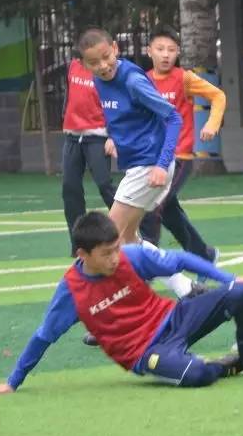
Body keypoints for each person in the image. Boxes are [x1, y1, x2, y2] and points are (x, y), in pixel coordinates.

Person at [0, 212, 243, 394]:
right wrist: (12, 382)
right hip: (146, 353)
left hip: (175, 317)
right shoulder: (71, 292)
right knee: (198, 374)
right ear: (82, 255)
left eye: (116, 248)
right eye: (106, 254)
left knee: (242, 294)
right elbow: (44, 336)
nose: (116, 258)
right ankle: (229, 364)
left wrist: (228, 279)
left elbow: (181, 258)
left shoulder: (132, 256)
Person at [76, 27, 193, 298]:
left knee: (104, 239)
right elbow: (127, 117)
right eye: (94, 62)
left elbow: (173, 118)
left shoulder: (132, 80)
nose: (102, 65)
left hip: (149, 166)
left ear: (115, 48)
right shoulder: (100, 81)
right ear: (84, 65)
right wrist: (115, 138)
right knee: (128, 241)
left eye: (106, 57)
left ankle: (105, 307)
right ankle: (185, 287)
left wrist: (162, 165)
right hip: (138, 165)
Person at [139, 25, 223, 264]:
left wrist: (212, 124)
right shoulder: (142, 81)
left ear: (178, 53)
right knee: (169, 212)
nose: (166, 54)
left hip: (180, 157)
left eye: (171, 50)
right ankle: (203, 255)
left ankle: (147, 267)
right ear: (149, 51)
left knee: (152, 207)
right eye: (160, 49)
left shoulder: (184, 78)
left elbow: (218, 96)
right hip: (153, 159)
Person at [61, 57, 117, 256]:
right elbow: (69, 98)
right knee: (70, 188)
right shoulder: (73, 66)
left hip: (97, 136)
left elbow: (115, 105)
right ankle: (78, 246)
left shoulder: (106, 70)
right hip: (72, 136)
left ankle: (129, 229)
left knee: (104, 185)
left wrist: (113, 135)